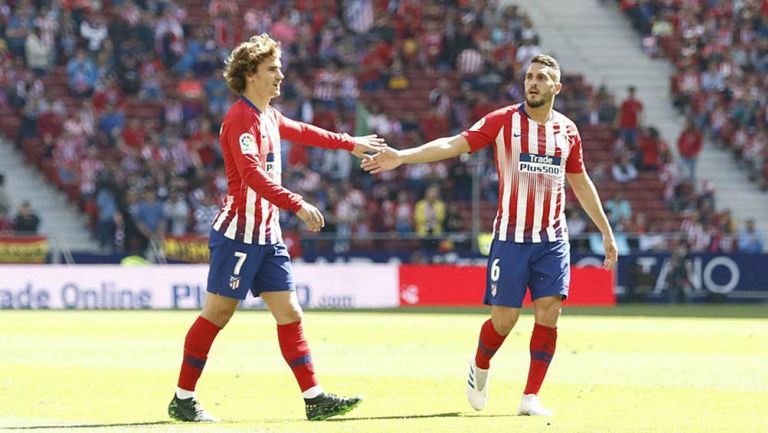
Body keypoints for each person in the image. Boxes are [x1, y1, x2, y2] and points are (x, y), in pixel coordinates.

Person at [363, 54, 618, 416]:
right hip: (511, 238)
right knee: (505, 320)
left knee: (549, 312)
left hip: (552, 238)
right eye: (529, 76)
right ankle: (480, 365)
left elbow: (580, 180)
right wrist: (402, 157)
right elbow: (454, 144)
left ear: (556, 87)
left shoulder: (568, 131)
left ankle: (530, 397)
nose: (533, 82)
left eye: (542, 78)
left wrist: (606, 231)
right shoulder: (503, 122)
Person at [168, 34, 385, 423]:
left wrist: (349, 142)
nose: (281, 75)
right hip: (238, 236)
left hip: (268, 237)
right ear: (251, 75)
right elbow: (251, 175)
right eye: (273, 68)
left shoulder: (268, 115)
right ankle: (183, 400)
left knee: (290, 313)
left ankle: (314, 398)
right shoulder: (240, 119)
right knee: (216, 315)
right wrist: (298, 203)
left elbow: (305, 132)